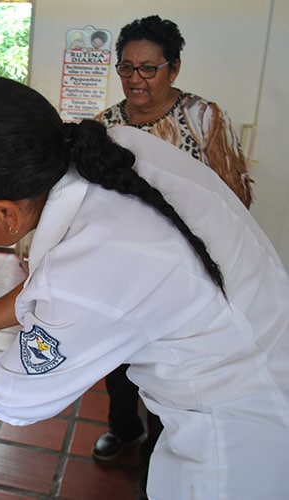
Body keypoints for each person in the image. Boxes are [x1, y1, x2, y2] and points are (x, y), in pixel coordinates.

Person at [0, 75, 289, 500]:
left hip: (238, 436)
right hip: (255, 362)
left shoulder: (95, 265)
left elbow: (8, 396)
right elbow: (55, 285)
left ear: (6, 216)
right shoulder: (110, 149)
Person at [92, 14, 253, 468]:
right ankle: (123, 429)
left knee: (174, 370)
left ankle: (158, 450)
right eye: (126, 68)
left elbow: (234, 196)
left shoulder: (204, 118)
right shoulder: (106, 125)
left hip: (187, 272)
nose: (135, 79)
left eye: (149, 68)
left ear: (174, 69)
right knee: (122, 365)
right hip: (125, 272)